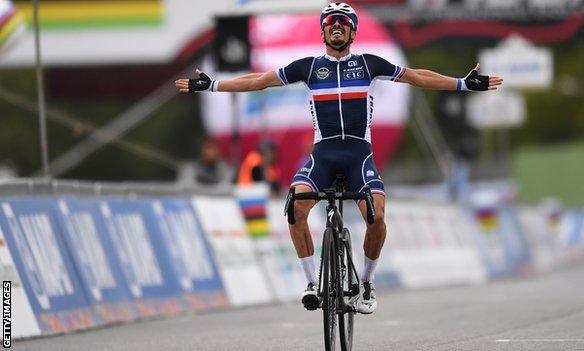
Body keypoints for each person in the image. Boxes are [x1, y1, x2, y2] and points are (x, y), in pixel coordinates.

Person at [175, 2, 503, 314]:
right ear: (322, 32)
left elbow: (417, 76)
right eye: (330, 23)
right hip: (324, 155)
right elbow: (258, 81)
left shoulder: (370, 63)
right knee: (295, 208)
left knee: (376, 217)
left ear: (352, 31)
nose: (336, 27)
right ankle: (310, 282)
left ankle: (367, 283)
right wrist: (213, 84)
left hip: (359, 156)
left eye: (343, 23)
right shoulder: (309, 67)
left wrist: (462, 84)